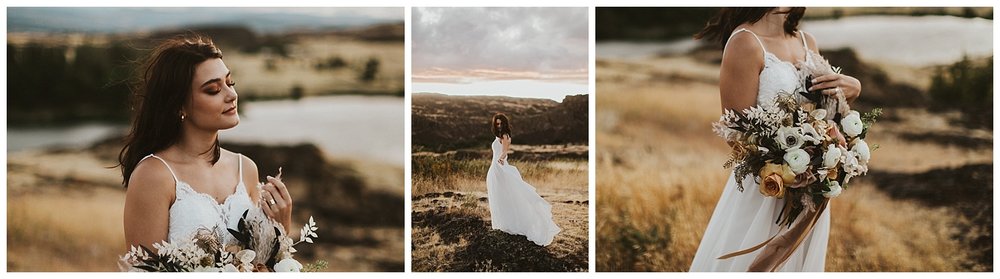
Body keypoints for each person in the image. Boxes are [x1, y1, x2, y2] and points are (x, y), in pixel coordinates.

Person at [689, 7, 861, 271]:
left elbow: (825, 114)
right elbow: (735, 134)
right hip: (766, 188)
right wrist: (788, 167)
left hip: (810, 191)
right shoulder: (744, 42)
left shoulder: (807, 41)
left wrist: (852, 90)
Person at [118, 35, 295, 251]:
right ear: (179, 106)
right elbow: (141, 270)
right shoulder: (153, 175)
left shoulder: (245, 168)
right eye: (213, 90)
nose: (231, 95)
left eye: (230, 83)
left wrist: (281, 226)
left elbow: (261, 261)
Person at [485, 113, 561, 246]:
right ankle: (502, 223)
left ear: (505, 123)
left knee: (506, 194)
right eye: (497, 123)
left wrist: (501, 159)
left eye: (501, 123)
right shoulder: (498, 136)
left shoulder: (505, 135)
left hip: (499, 166)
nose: (499, 125)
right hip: (495, 167)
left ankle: (513, 223)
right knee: (499, 195)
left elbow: (504, 151)